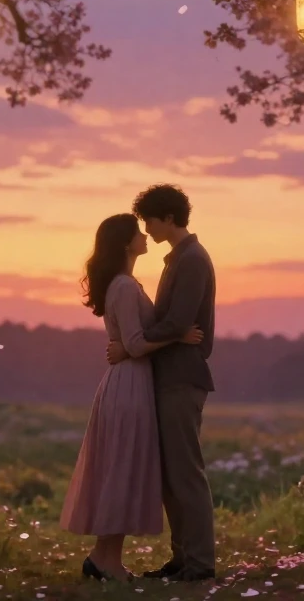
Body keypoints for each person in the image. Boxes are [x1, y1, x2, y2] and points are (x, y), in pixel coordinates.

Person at [60, 213, 204, 581]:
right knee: (121, 468)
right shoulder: (123, 286)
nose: (144, 236)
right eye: (137, 232)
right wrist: (178, 335)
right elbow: (137, 344)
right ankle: (104, 558)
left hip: (132, 382)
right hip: (128, 386)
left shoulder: (126, 283)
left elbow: (130, 342)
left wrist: (128, 346)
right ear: (126, 243)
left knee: (122, 468)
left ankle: (105, 558)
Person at [106, 184, 217, 582]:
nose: (147, 228)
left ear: (168, 218)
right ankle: (183, 557)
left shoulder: (191, 261)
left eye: (150, 220)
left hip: (182, 377)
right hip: (166, 375)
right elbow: (170, 325)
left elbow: (178, 323)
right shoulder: (176, 260)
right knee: (171, 475)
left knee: (186, 472)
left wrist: (131, 348)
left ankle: (200, 562)